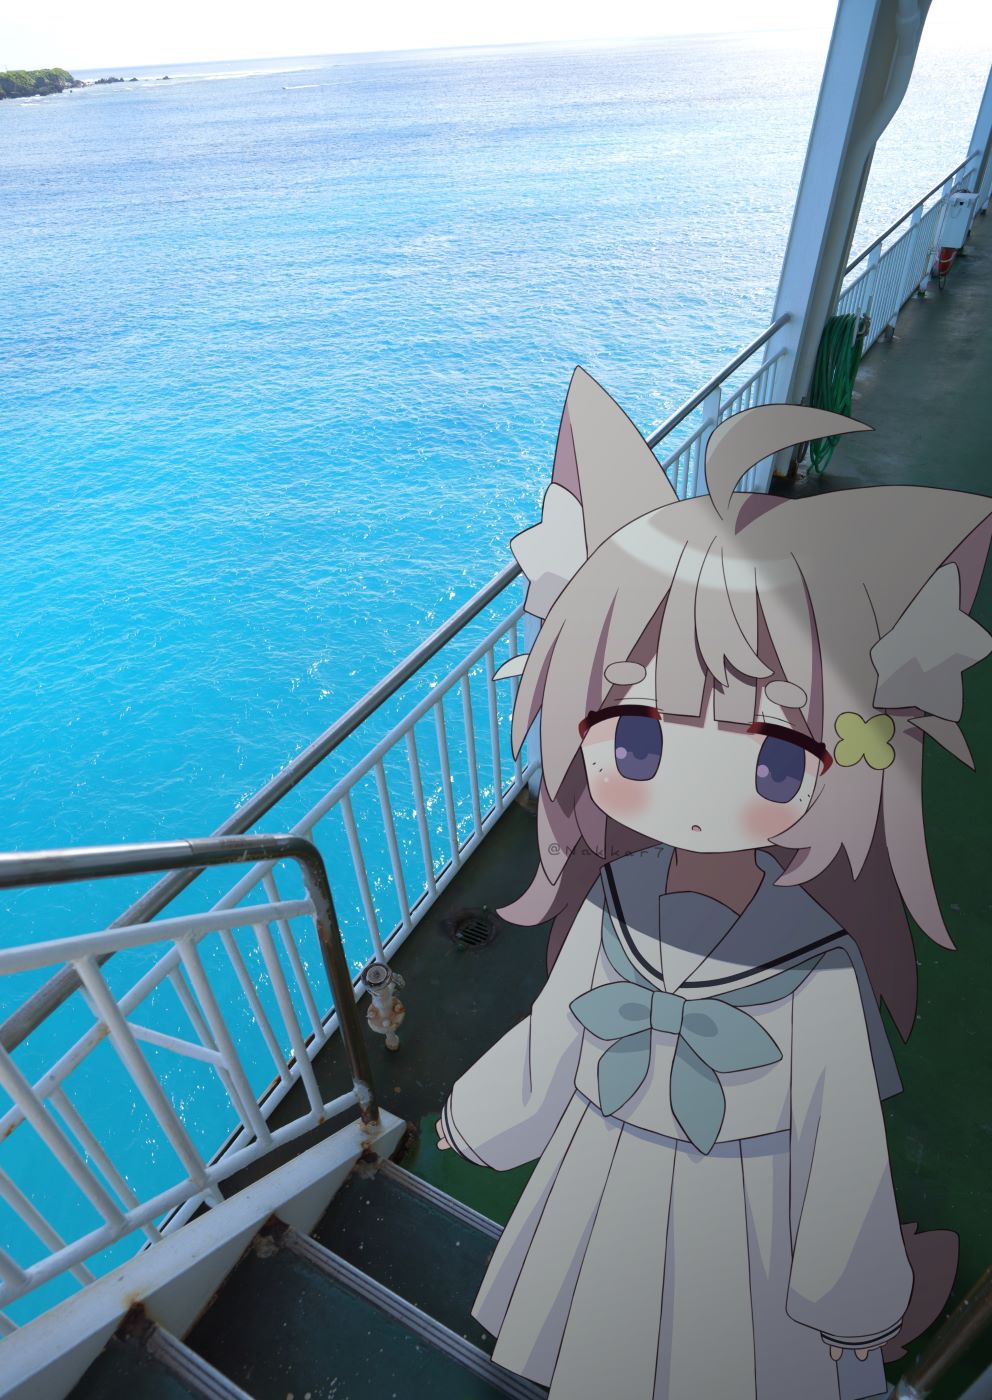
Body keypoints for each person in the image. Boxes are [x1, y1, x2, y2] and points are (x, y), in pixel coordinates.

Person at [436, 368, 992, 1400]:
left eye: (774, 760)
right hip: (729, 1205)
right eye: (640, 741)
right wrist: (849, 1300)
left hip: (638, 1182)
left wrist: (481, 1119)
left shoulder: (731, 939)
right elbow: (830, 1161)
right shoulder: (779, 952)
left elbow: (561, 1048)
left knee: (611, 1338)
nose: (690, 794)